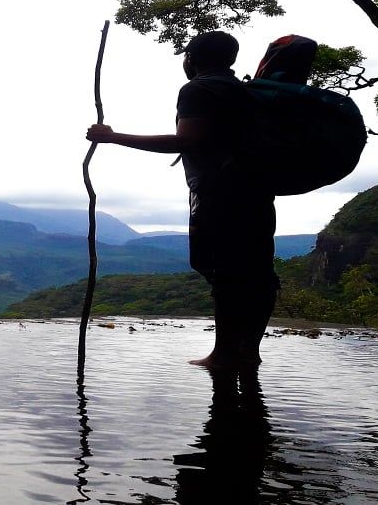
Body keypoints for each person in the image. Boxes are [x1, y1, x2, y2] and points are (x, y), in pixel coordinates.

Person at [86, 31, 278, 370]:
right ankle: (249, 350)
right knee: (256, 271)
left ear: (191, 57)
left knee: (221, 270)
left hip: (220, 193)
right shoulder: (245, 91)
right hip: (258, 191)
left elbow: (185, 140)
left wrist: (113, 138)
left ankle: (223, 354)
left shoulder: (198, 89)